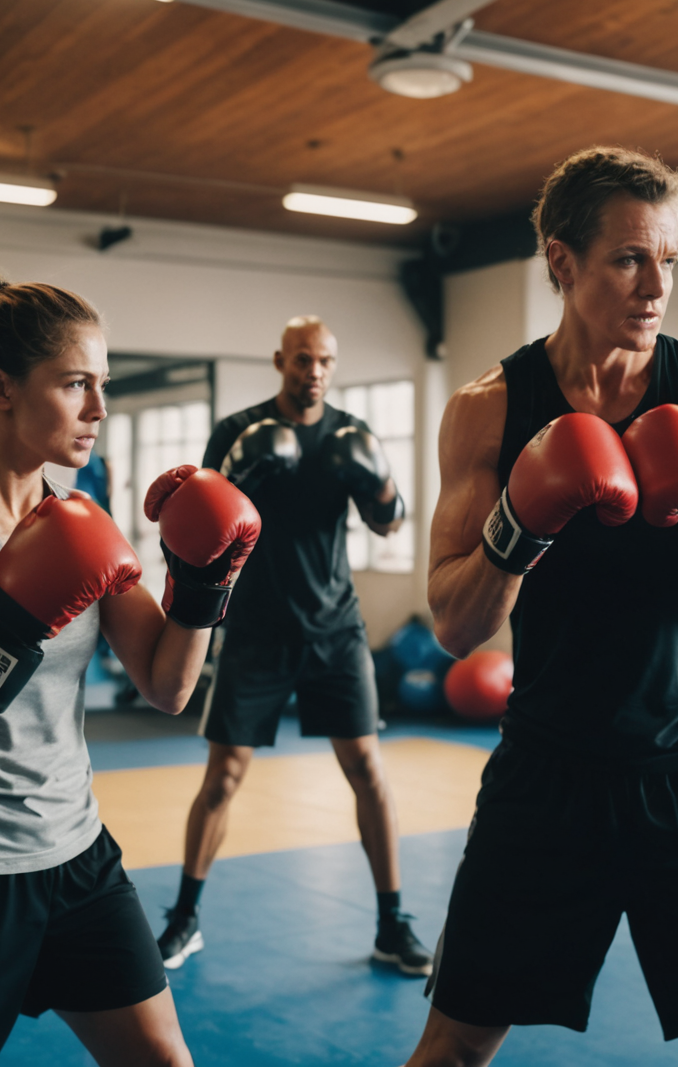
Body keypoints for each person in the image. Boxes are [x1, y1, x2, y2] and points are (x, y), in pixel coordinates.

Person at [405, 147, 678, 1067]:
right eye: (630, 258)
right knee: (455, 1046)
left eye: (669, 260)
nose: (655, 286)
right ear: (563, 263)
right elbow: (455, 624)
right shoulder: (489, 410)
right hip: (549, 777)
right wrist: (520, 523)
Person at [0, 272, 260, 1067]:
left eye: (101, 385)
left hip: (77, 863)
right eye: (77, 384)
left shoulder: (81, 522)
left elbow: (168, 686)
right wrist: (12, 627)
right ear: (0, 387)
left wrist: (206, 585)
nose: (98, 410)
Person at [155, 315, 430, 976]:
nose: (314, 373)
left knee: (367, 769)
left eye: (325, 362)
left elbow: (390, 524)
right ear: (281, 360)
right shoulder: (238, 431)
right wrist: (242, 473)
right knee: (222, 777)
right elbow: (204, 527)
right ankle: (184, 917)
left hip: (335, 628)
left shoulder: (350, 436)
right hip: (255, 629)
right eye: (303, 360)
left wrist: (381, 480)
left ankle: (393, 924)